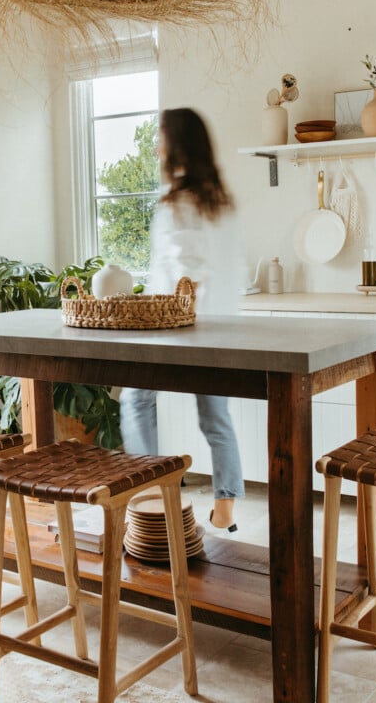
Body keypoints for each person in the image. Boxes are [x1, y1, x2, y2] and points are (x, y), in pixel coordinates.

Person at [119, 107, 245, 531]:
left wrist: (167, 318)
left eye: (160, 137)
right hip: (223, 330)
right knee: (216, 418)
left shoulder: (178, 204)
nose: (155, 145)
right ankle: (225, 506)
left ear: (176, 145)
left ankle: (151, 490)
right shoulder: (222, 203)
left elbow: (184, 272)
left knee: (135, 399)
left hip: (180, 330)